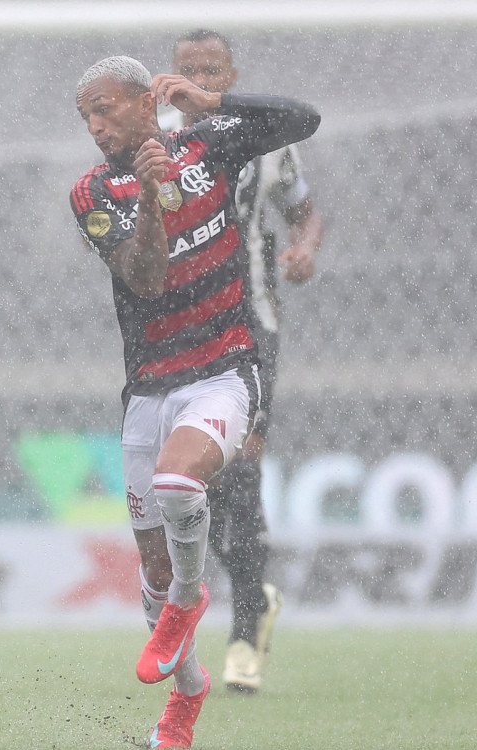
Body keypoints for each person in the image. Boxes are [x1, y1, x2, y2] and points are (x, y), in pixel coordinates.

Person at [68, 57, 319, 748]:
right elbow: (146, 279)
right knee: (150, 578)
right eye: (85, 116)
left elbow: (305, 120)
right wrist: (150, 196)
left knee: (180, 484)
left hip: (224, 369)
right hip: (149, 388)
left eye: (105, 110)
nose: (94, 127)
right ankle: (185, 701)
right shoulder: (91, 192)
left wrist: (216, 96)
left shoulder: (211, 143)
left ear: (146, 100)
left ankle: (191, 598)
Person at [165, 29, 326, 694]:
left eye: (212, 70)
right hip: (178, 331)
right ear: (170, 77)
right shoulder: (159, 142)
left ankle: (246, 623)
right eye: (189, 69)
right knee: (187, 484)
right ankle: (204, 618)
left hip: (251, 327)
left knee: (240, 470)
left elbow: (305, 210)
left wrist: (306, 246)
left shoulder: (269, 139)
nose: (200, 79)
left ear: (229, 73)